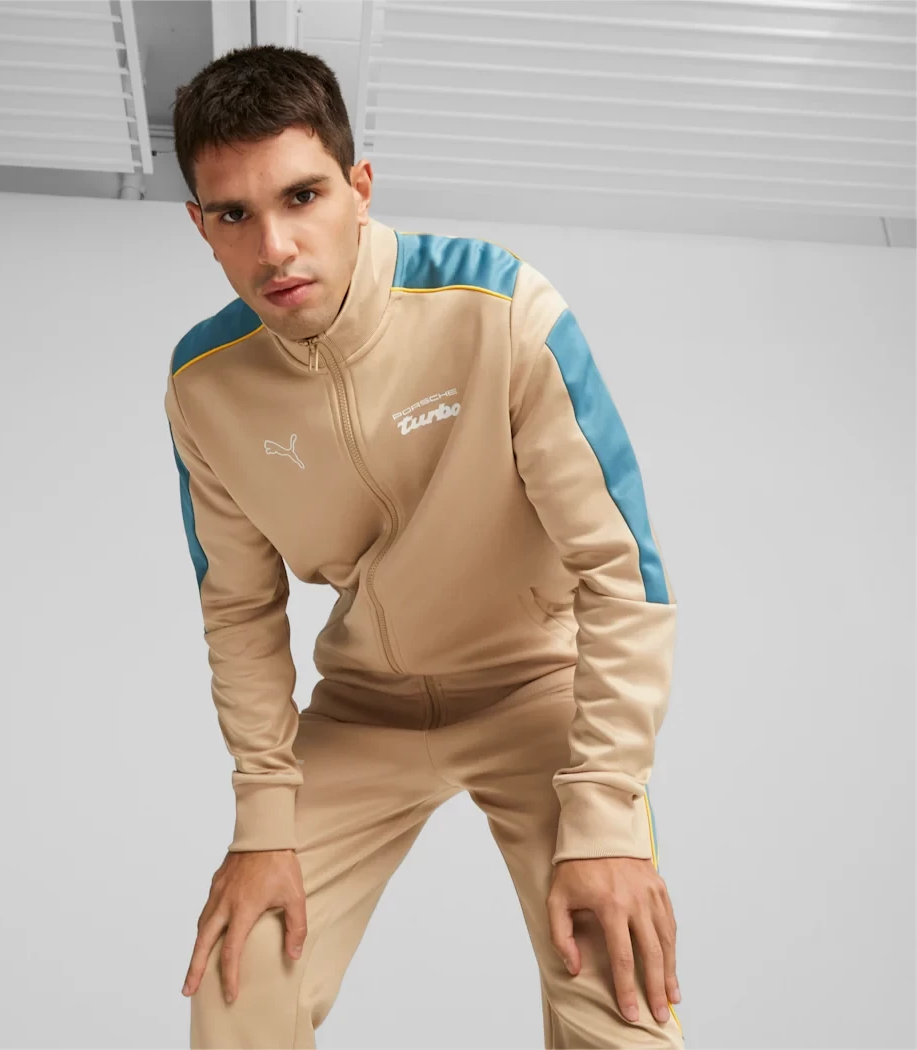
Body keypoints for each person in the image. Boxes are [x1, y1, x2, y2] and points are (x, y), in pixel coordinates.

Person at [164, 44, 685, 1050]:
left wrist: (606, 814)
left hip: (537, 688)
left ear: (359, 188)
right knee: (240, 983)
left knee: (617, 993)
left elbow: (622, 571)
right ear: (201, 226)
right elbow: (237, 608)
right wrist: (262, 823)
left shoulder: (500, 310)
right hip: (366, 708)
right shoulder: (204, 385)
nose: (275, 246)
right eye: (234, 215)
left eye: (303, 196)